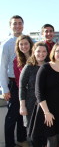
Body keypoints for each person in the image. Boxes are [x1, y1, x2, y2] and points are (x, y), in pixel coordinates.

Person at [31, 42, 59, 147]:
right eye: (58, 51)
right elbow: (39, 92)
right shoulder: (45, 68)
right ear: (53, 52)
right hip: (48, 111)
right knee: (52, 141)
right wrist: (47, 112)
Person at [0, 15, 28, 147]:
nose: (17, 26)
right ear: (10, 26)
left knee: (23, 113)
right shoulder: (6, 44)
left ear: (23, 25)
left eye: (20, 23)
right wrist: (5, 89)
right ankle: (10, 144)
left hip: (26, 84)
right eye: (15, 23)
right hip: (12, 84)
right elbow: (2, 67)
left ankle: (22, 140)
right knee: (11, 116)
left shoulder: (29, 41)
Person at [19, 42, 48, 146]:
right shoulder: (28, 67)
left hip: (46, 105)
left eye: (44, 51)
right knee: (33, 135)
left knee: (46, 133)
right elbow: (22, 87)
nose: (41, 53)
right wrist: (22, 106)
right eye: (38, 51)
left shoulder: (49, 66)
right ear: (33, 52)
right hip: (31, 104)